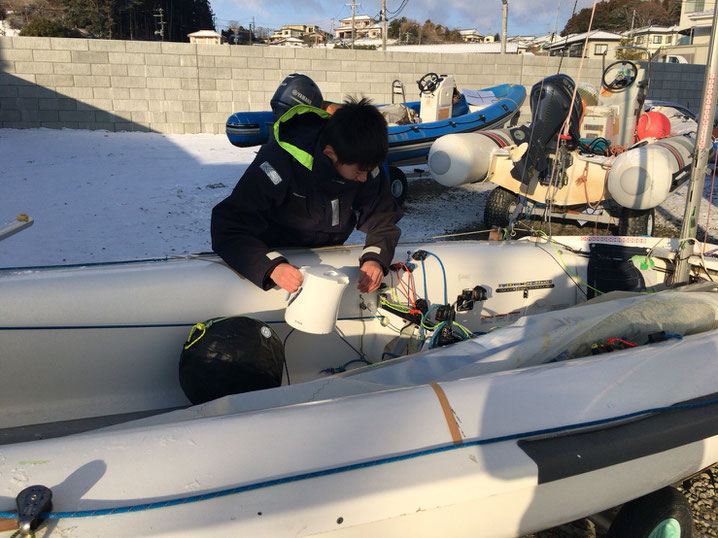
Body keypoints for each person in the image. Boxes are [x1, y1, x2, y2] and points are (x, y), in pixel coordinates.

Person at [211, 96, 403, 295]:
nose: (364, 178)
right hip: (271, 264)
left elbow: (382, 217)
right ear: (330, 154)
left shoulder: (362, 160)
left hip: (325, 265)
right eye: (358, 172)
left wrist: (375, 259)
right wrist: (271, 267)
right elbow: (227, 225)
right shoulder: (279, 165)